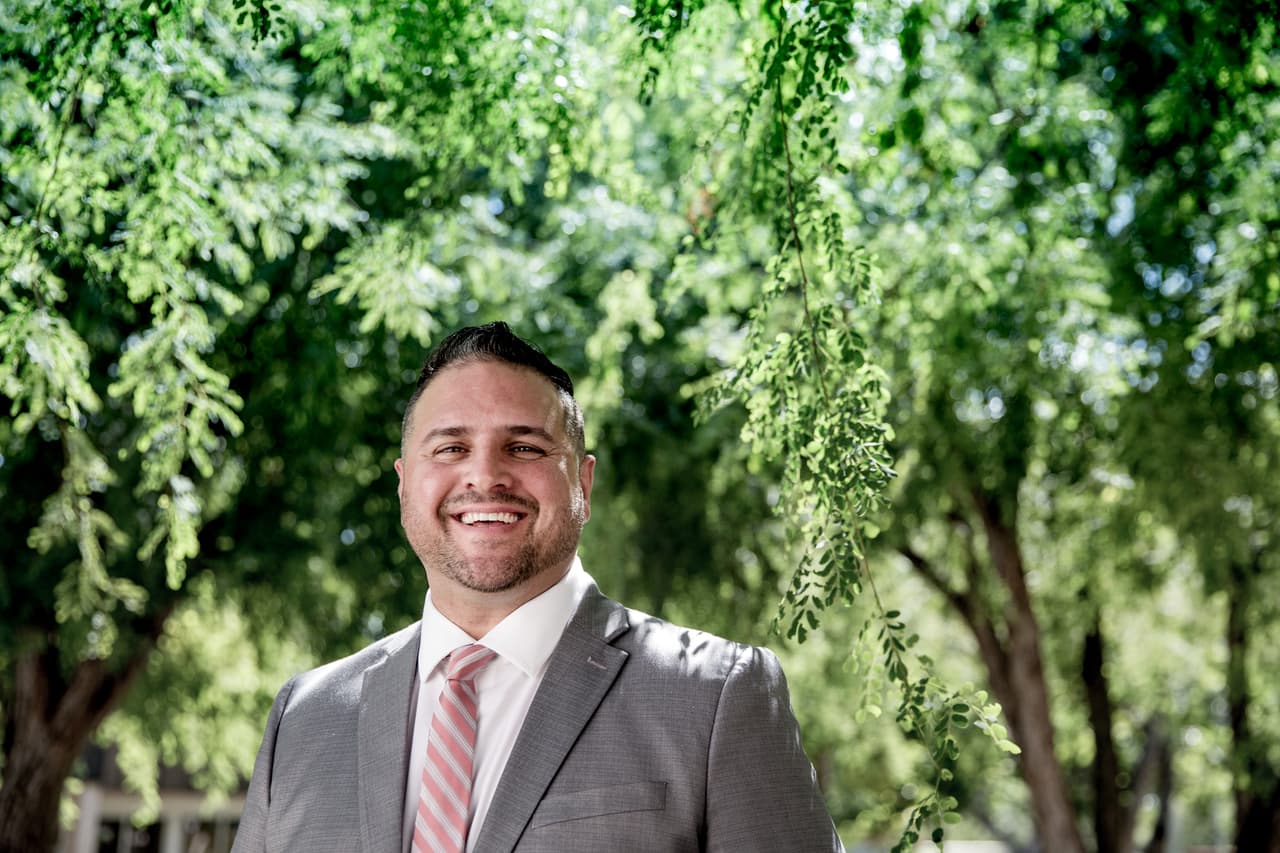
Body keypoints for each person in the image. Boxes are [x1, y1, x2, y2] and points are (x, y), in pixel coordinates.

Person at [232, 322, 844, 853]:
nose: (484, 475)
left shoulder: (715, 697)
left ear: (583, 480)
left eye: (523, 446)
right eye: (450, 447)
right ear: (402, 483)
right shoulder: (305, 718)